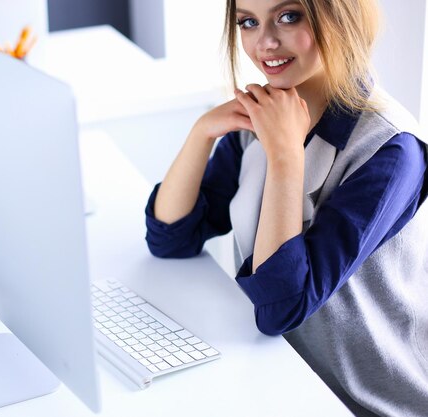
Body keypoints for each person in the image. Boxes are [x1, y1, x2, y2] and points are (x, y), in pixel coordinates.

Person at [144, 0, 428, 415]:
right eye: (248, 22)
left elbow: (282, 307)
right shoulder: (266, 112)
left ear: (339, 16)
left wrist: (284, 157)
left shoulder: (390, 150)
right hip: (282, 375)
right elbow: (172, 237)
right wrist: (201, 133)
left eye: (289, 16)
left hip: (366, 401)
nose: (266, 42)